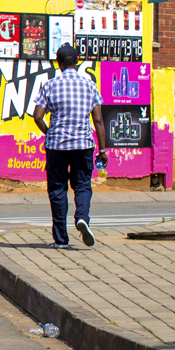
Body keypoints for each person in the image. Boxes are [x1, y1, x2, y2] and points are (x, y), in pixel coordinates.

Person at [31, 44, 104, 249]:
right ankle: (82, 217)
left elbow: (37, 116)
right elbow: (98, 120)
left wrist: (49, 132)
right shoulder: (89, 84)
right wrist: (104, 150)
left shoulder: (50, 85)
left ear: (59, 63)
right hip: (83, 145)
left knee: (57, 189)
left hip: (57, 146)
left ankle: (61, 239)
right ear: (77, 61)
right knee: (82, 185)